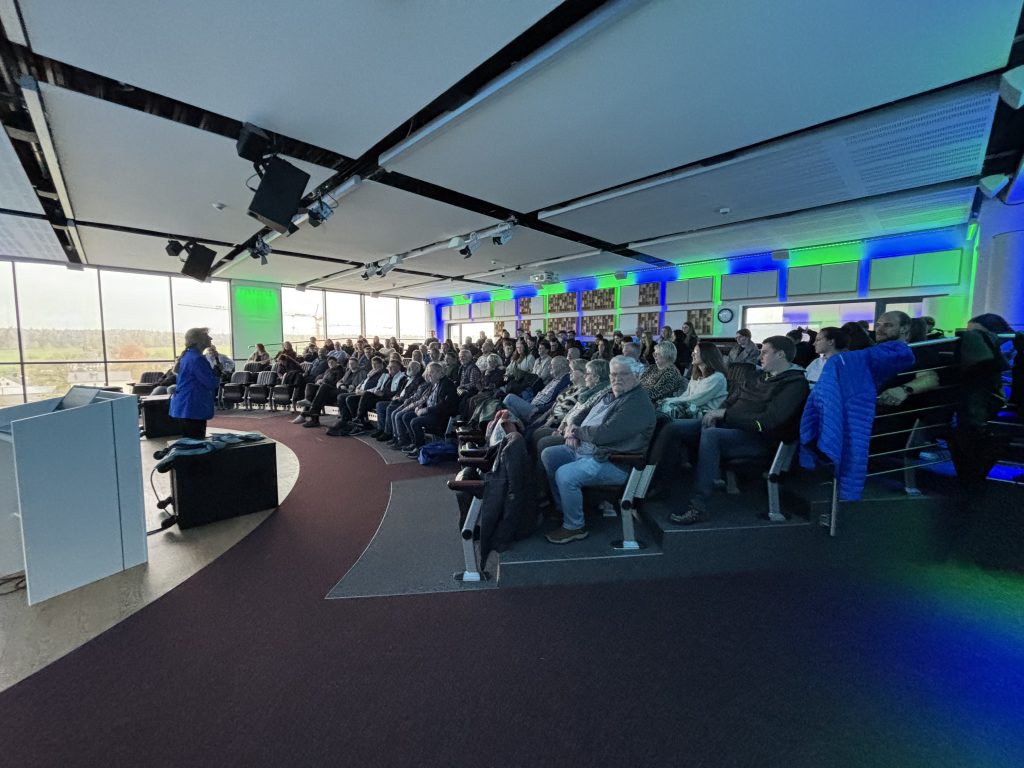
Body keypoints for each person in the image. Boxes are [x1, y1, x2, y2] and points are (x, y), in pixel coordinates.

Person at [669, 336, 810, 525]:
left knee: (711, 435)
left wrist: (726, 415)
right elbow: (731, 400)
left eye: (764, 352)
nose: (759, 356)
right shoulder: (758, 376)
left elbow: (767, 422)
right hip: (732, 427)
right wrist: (718, 413)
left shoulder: (795, 385)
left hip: (759, 439)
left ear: (780, 354)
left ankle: (698, 506)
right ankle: (656, 486)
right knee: (671, 427)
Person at [540, 355, 656, 544]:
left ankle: (574, 526)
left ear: (636, 375)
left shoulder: (636, 403)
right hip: (588, 449)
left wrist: (576, 432)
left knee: (565, 475)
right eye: (613, 374)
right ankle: (564, 508)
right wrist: (572, 427)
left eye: (623, 374)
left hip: (614, 461)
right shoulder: (611, 393)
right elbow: (581, 414)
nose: (616, 379)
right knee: (549, 455)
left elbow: (605, 434)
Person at [169, 327, 222, 439]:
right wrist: (217, 374)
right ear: (198, 340)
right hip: (193, 407)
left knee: (189, 442)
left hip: (186, 406)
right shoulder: (197, 359)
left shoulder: (187, 356)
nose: (210, 338)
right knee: (196, 443)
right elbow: (211, 383)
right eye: (207, 336)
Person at [658, 342, 729, 419]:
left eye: (696, 352)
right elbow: (686, 395)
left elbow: (697, 399)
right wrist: (669, 401)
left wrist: (671, 400)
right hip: (691, 411)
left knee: (667, 410)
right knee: (664, 408)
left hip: (706, 415)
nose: (692, 354)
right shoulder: (696, 376)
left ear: (706, 355)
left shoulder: (717, 377)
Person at [639, 341, 685, 406]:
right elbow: (639, 382)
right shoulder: (652, 367)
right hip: (640, 399)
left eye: (657, 353)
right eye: (654, 353)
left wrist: (634, 391)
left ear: (666, 355)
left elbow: (655, 394)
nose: (654, 355)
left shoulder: (671, 373)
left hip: (653, 405)